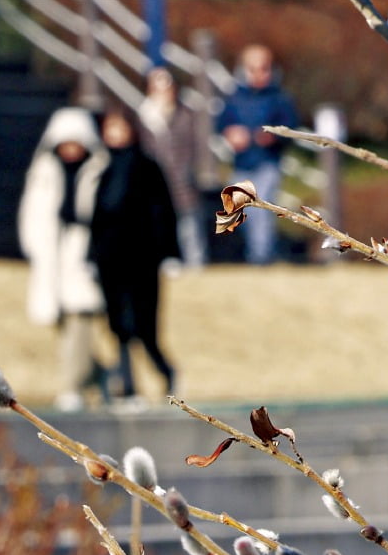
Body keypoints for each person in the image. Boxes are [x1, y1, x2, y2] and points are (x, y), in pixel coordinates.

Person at [18, 107, 112, 411]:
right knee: (61, 323)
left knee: (80, 320)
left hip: (84, 254)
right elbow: (32, 212)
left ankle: (71, 387)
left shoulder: (99, 170)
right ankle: (105, 378)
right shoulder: (43, 171)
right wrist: (34, 245)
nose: (71, 150)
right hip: (53, 256)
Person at [89, 105, 180, 403]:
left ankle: (166, 373)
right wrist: (92, 255)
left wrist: (168, 252)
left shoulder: (147, 167)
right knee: (118, 326)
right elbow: (98, 218)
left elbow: (163, 212)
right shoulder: (102, 169)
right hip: (110, 259)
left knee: (145, 325)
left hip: (142, 258)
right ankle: (127, 385)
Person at [216, 44, 298, 265]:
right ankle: (250, 253)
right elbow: (221, 124)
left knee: (262, 209)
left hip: (267, 162)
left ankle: (261, 257)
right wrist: (231, 134)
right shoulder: (233, 97)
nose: (259, 73)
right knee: (240, 212)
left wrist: (274, 136)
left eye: (264, 68)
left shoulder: (280, 98)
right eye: (253, 68)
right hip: (241, 163)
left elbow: (291, 127)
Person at [138, 66, 204, 272]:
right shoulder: (141, 117)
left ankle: (195, 264)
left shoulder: (186, 115)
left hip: (182, 180)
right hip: (152, 183)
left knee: (189, 224)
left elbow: (196, 146)